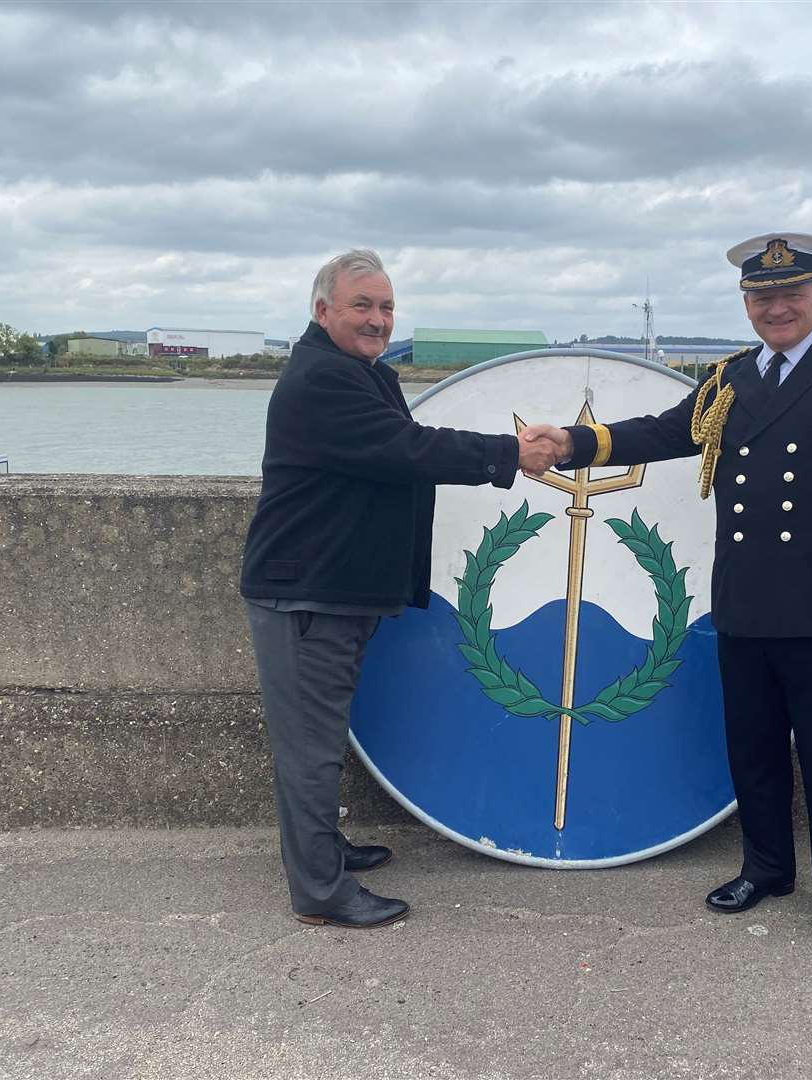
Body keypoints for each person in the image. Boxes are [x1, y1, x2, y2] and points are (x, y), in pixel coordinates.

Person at [523, 233, 812, 966]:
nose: (777, 307)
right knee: (753, 747)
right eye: (761, 297)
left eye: (791, 294)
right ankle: (766, 869)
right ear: (746, 305)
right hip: (744, 598)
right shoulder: (731, 378)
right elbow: (666, 432)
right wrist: (574, 441)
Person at [240, 249, 560, 929]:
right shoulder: (323, 381)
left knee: (321, 740)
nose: (378, 319)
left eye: (386, 307)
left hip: (335, 590)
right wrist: (509, 455)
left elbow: (401, 445)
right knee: (311, 749)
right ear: (322, 310)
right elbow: (407, 450)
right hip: (306, 596)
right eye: (363, 305)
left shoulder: (359, 371)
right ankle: (319, 892)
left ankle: (323, 851)